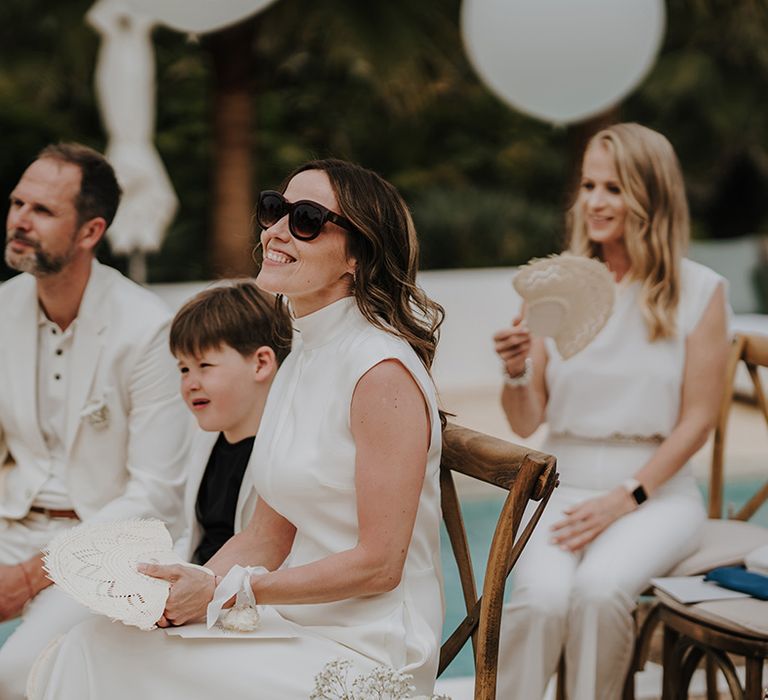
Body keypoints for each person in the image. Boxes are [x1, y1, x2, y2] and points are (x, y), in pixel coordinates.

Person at [34, 158, 446, 699]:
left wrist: (228, 592)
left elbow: (380, 565)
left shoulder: (379, 372)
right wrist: (173, 591)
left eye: (306, 219)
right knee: (94, 642)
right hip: (296, 625)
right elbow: (267, 535)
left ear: (355, 254)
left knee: (101, 662)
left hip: (367, 651)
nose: (274, 230)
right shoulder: (303, 353)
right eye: (274, 209)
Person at [492, 123, 730, 699]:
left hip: (657, 492)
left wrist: (627, 497)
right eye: (589, 185)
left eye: (615, 188)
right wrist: (517, 368)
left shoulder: (700, 291)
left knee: (600, 591)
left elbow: (699, 421)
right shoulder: (554, 287)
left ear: (651, 198)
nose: (595, 202)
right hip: (563, 483)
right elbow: (527, 422)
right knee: (541, 601)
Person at [0, 142, 191, 699]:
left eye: (42, 211)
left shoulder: (147, 330)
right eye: (17, 203)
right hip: (14, 525)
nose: (19, 220)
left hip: (106, 544)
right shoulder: (3, 311)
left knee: (16, 678)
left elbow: (155, 495)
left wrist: (34, 575)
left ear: (90, 232)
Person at [169, 281, 292, 564]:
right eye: (184, 369)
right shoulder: (205, 438)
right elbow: (197, 537)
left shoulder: (287, 451)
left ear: (261, 363)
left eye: (204, 366)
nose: (190, 383)